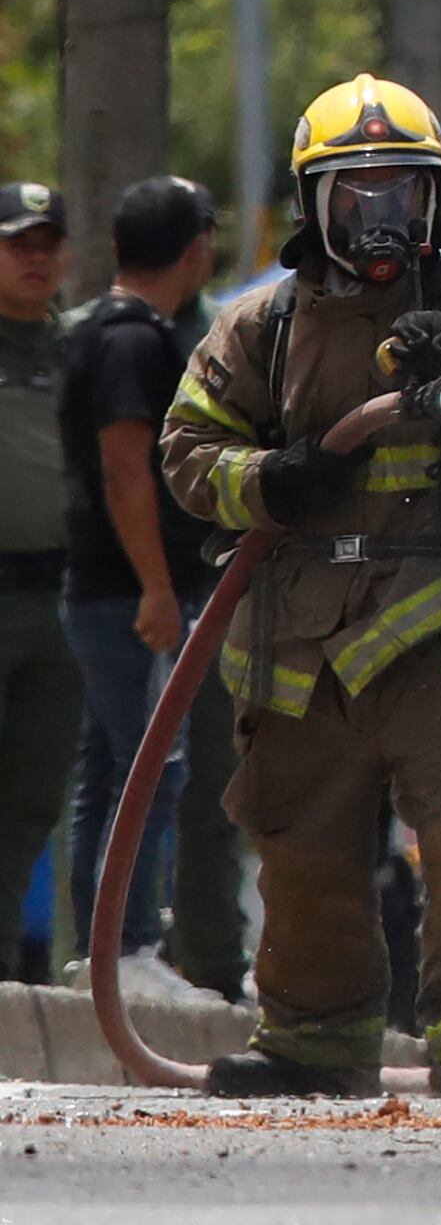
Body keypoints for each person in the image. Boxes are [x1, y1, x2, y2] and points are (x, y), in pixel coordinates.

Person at [159, 76, 441, 1098]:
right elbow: (187, 447)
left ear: (432, 202)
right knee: (305, 848)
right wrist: (273, 479)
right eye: (356, 195)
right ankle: (315, 1039)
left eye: (401, 194)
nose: (380, 219)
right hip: (299, 643)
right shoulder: (265, 324)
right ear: (315, 205)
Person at [57, 175, 244, 1001]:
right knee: (151, 769)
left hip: (102, 588)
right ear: (197, 247)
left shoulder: (106, 329)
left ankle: (107, 950)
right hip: (128, 593)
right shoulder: (136, 339)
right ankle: (127, 947)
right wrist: (158, 587)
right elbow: (126, 467)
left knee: (110, 769)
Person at [0, 182, 94, 985]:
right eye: (17, 242)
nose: (35, 257)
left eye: (47, 243)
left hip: (60, 599)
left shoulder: (78, 348)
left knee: (33, 794)